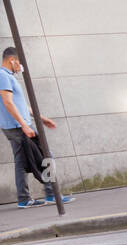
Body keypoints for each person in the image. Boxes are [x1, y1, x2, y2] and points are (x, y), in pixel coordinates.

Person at [1, 47, 73, 208]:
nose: (20, 67)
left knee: (21, 161)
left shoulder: (7, 77)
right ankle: (52, 194)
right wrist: (24, 125)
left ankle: (24, 199)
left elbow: (21, 105)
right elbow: (8, 102)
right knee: (47, 155)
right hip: (18, 127)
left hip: (17, 125)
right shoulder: (3, 76)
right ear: (12, 60)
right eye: (19, 62)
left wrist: (42, 118)